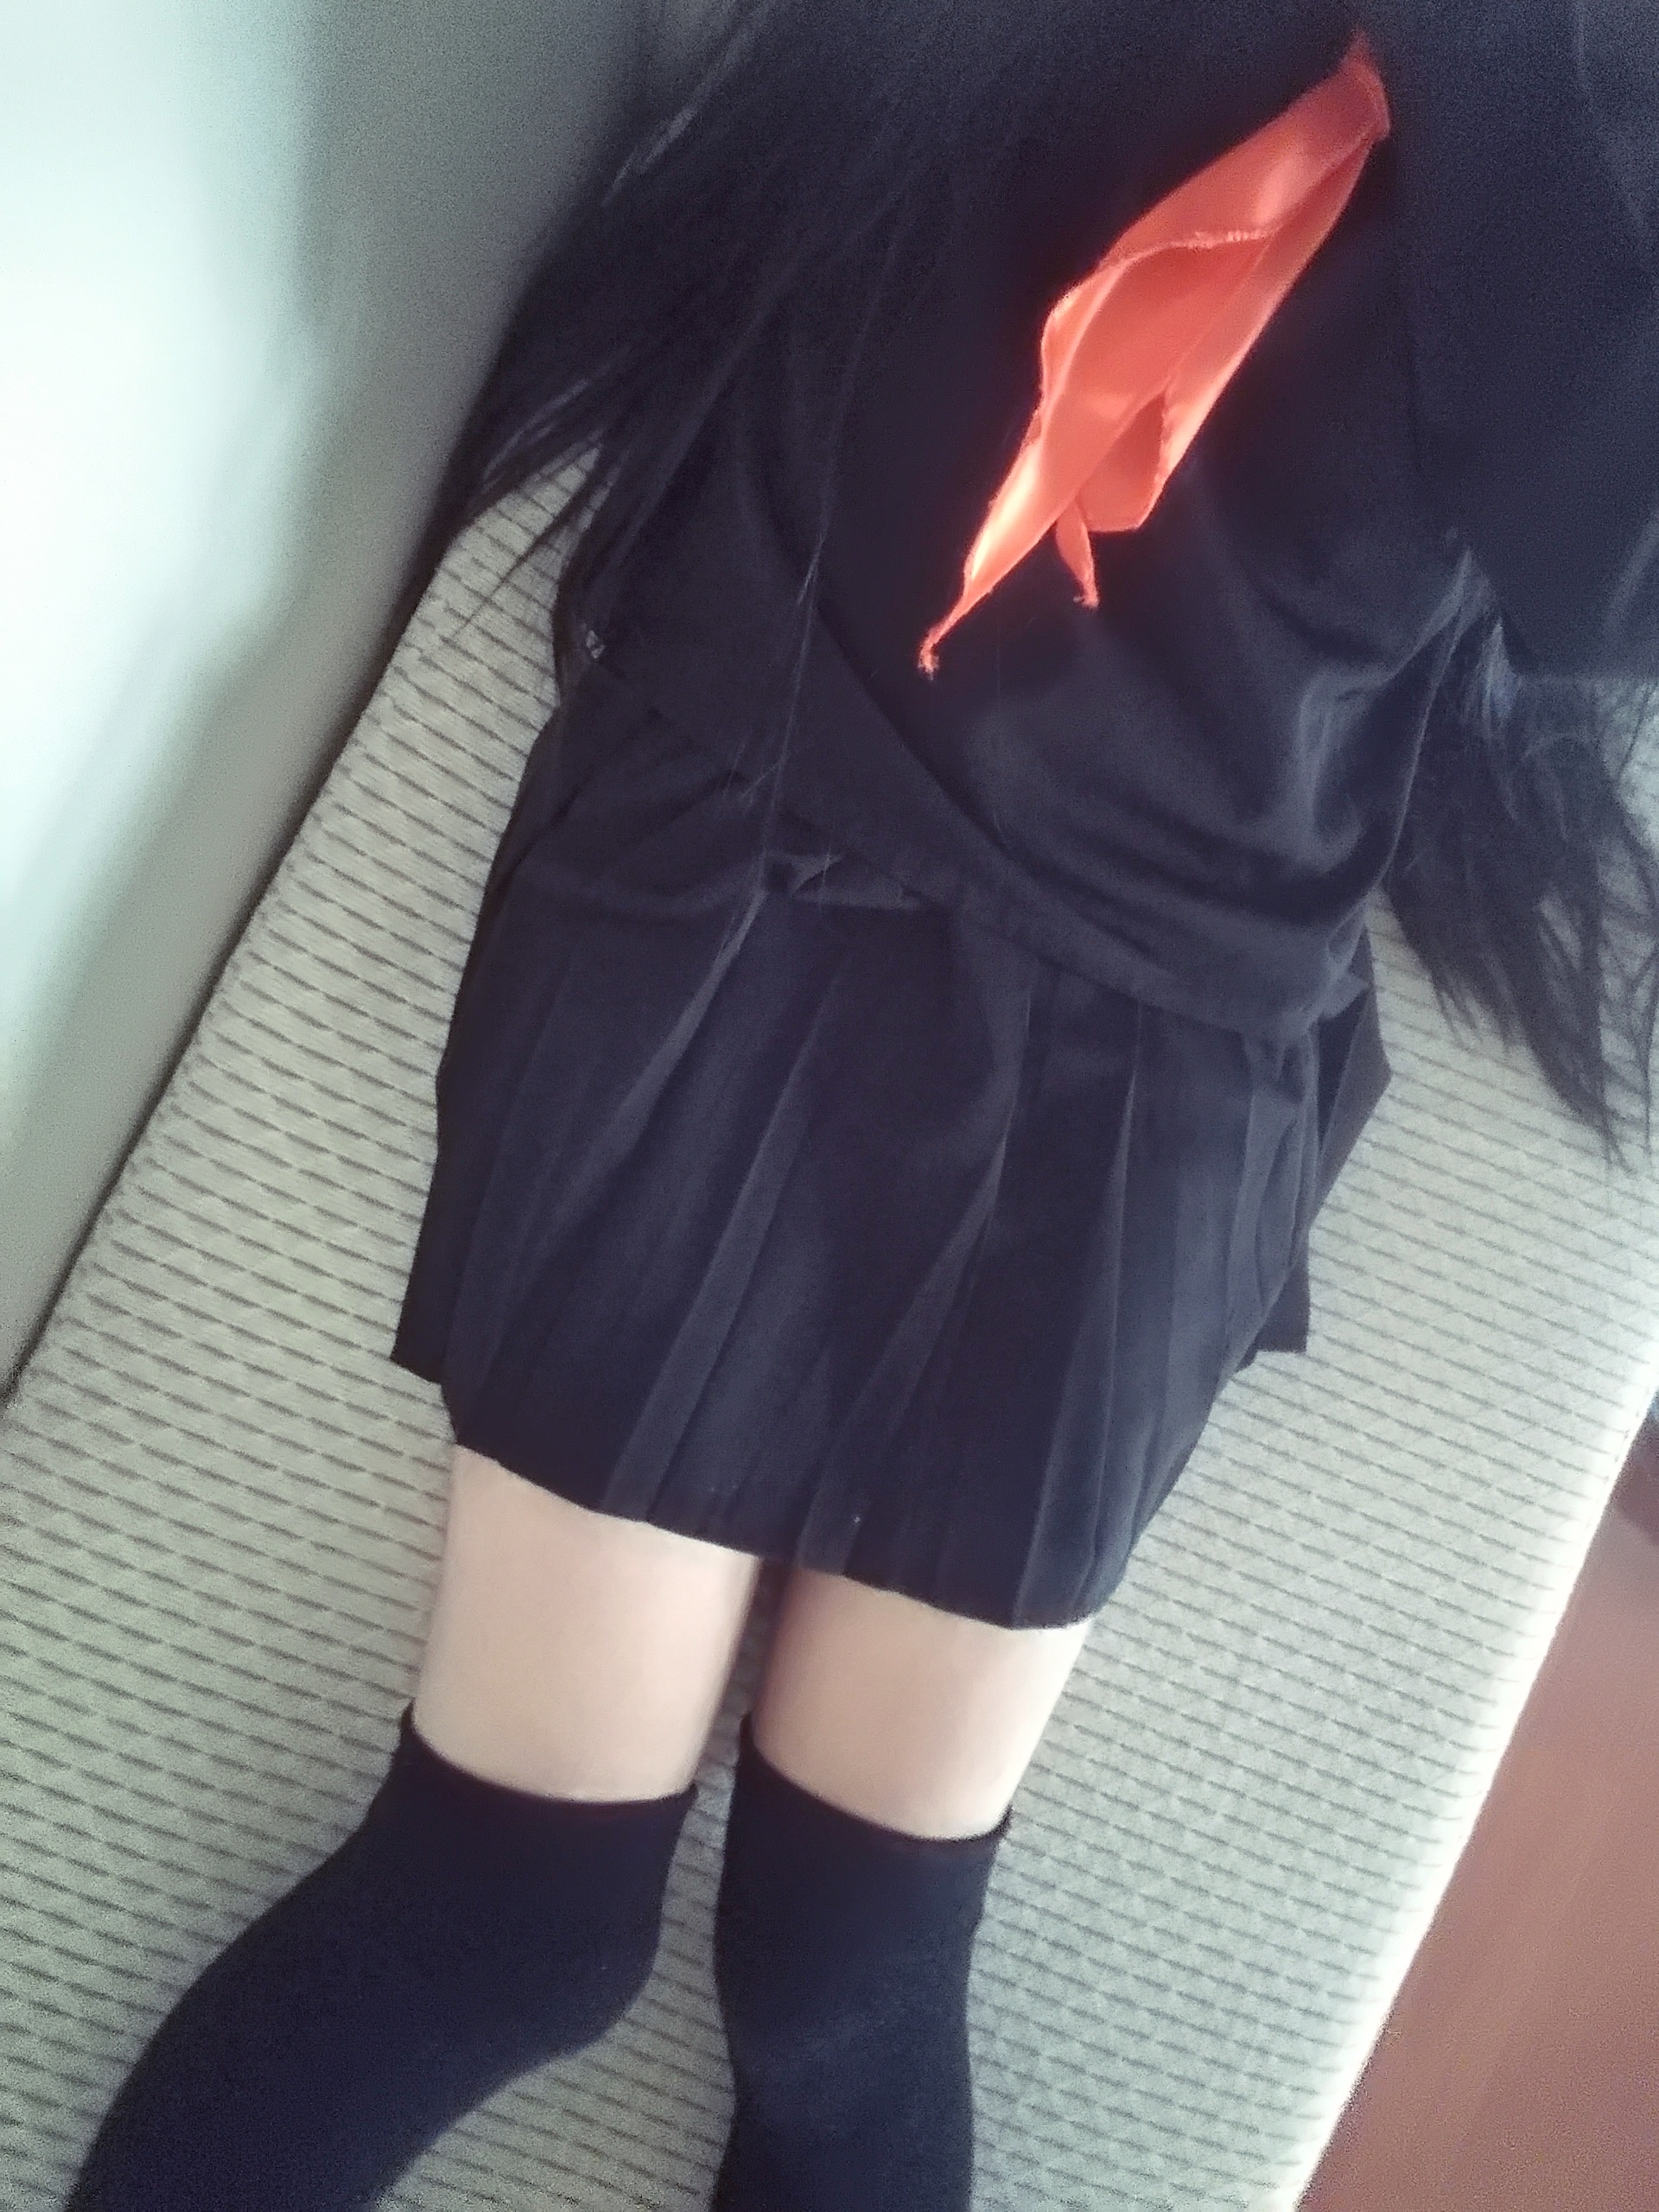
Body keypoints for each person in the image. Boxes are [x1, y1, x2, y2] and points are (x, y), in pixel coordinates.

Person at [64, 2, 1659, 2207]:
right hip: (753, 830)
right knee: (506, 1909)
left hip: (1167, 1027)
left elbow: (1611, 561)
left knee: (847, 1980)